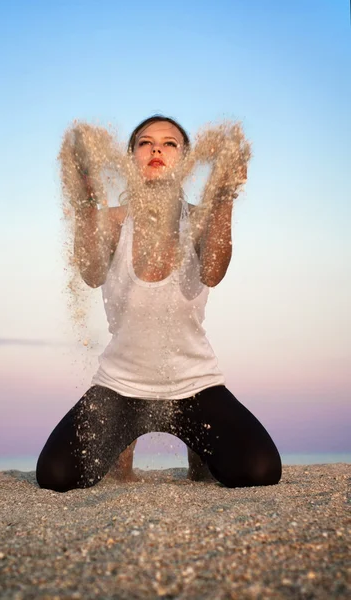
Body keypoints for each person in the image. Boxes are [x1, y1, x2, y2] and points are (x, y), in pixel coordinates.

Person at [36, 115, 282, 492]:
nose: (156, 148)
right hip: (119, 387)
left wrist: (224, 194)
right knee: (56, 477)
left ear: (185, 161)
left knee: (260, 470)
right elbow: (90, 272)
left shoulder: (200, 219)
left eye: (170, 144)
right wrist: (84, 196)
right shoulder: (114, 222)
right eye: (145, 142)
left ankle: (198, 449)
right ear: (130, 157)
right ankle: (125, 441)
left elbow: (214, 271)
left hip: (194, 386)